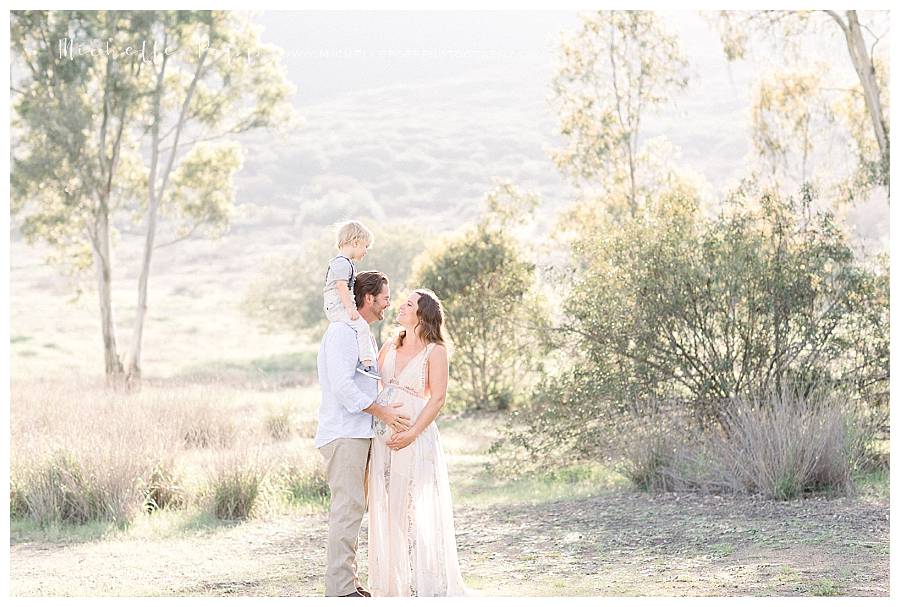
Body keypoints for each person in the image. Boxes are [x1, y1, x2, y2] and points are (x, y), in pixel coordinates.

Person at [367, 288, 470, 597]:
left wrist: (412, 434)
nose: (401, 306)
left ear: (423, 314)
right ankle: (393, 583)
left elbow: (437, 398)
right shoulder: (390, 344)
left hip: (415, 436)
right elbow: (374, 384)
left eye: (409, 304)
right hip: (383, 435)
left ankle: (425, 584)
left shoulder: (435, 350)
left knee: (413, 508)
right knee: (388, 508)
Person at [315, 270, 410, 597]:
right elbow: (342, 385)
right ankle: (340, 591)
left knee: (354, 508)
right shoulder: (342, 332)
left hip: (357, 433)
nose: (387, 304)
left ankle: (348, 583)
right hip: (344, 434)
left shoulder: (361, 332)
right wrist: (381, 411)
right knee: (348, 507)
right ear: (368, 298)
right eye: (384, 297)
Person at [323, 220, 379, 378]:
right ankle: (366, 364)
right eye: (365, 246)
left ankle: (362, 360)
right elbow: (341, 286)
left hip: (337, 306)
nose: (366, 251)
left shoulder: (343, 263)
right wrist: (350, 308)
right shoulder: (342, 263)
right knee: (362, 328)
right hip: (338, 307)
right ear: (355, 242)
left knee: (357, 328)